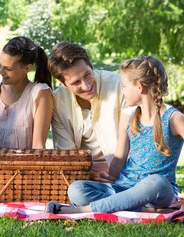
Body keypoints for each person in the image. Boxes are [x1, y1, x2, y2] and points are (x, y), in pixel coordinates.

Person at [45, 56, 184, 214]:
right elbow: (119, 159)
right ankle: (141, 210)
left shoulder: (174, 119)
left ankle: (81, 211)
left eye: (124, 86)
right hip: (124, 187)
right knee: (77, 189)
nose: (122, 91)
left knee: (155, 182)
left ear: (139, 87)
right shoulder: (128, 115)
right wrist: (109, 177)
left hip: (158, 191)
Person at [48, 42, 126, 179]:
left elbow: (138, 138)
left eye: (87, 75)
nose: (86, 85)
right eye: (76, 82)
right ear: (63, 84)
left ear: (91, 66)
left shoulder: (119, 85)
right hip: (87, 175)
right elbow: (67, 156)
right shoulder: (57, 101)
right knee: (76, 192)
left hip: (126, 170)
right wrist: (92, 175)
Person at [0, 36, 53, 154]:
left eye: (8, 68)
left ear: (27, 68)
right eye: (0, 65)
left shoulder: (39, 94)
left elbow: (38, 147)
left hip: (23, 168)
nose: (1, 72)